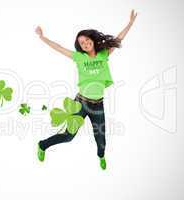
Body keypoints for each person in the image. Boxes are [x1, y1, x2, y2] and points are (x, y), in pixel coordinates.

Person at [35, 9, 138, 170]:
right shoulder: (79, 57)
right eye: (81, 43)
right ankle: (42, 145)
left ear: (92, 40)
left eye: (86, 40)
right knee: (68, 136)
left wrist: (130, 23)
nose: (85, 43)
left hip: (98, 104)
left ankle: (101, 156)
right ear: (80, 47)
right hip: (81, 103)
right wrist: (42, 37)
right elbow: (58, 47)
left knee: (101, 138)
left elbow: (118, 39)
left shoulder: (104, 54)